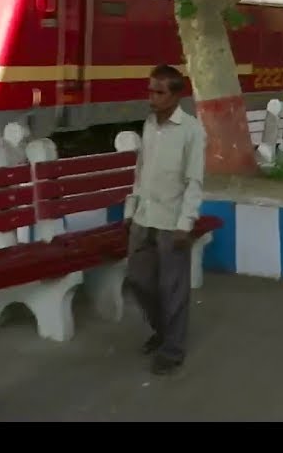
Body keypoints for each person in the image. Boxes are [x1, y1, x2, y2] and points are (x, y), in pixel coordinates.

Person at [125, 64, 205, 376]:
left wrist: (186, 223)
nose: (152, 97)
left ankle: (172, 349)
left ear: (176, 96)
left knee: (172, 288)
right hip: (144, 216)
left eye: (159, 92)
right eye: (150, 91)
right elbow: (140, 172)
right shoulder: (148, 124)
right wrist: (130, 212)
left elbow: (194, 181)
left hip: (173, 223)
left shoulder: (191, 130)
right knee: (138, 280)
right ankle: (162, 330)